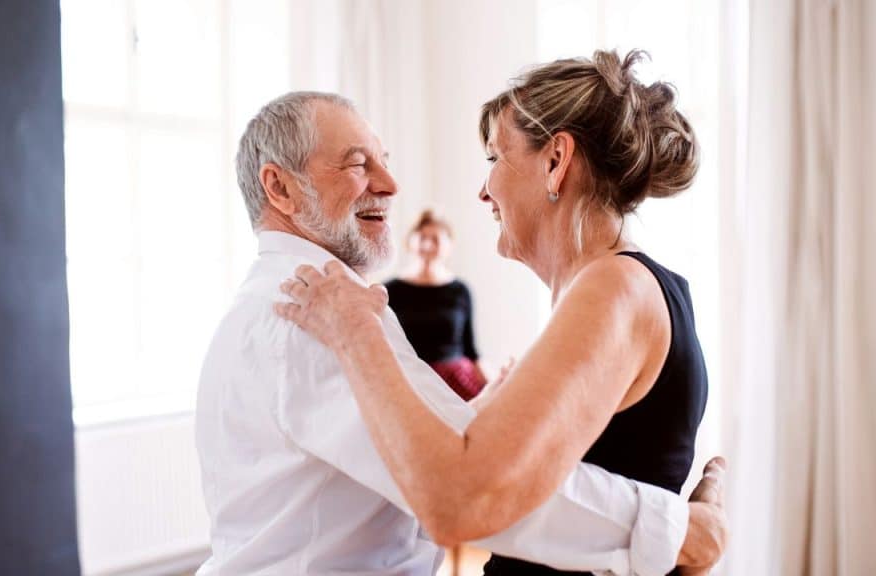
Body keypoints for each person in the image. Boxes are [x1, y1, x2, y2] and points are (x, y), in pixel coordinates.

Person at [195, 90, 726, 575]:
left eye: (385, 161)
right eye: (359, 163)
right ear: (280, 187)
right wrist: (679, 533)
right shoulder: (308, 313)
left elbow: (452, 481)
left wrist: (469, 422)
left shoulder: (318, 306)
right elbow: (475, 494)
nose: (391, 184)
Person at [386, 209, 488, 401]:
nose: (427, 244)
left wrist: (496, 388)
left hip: (456, 382)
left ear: (448, 245)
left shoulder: (460, 290)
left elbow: (471, 351)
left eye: (435, 239)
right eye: (422, 237)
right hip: (409, 381)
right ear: (410, 241)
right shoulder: (390, 290)